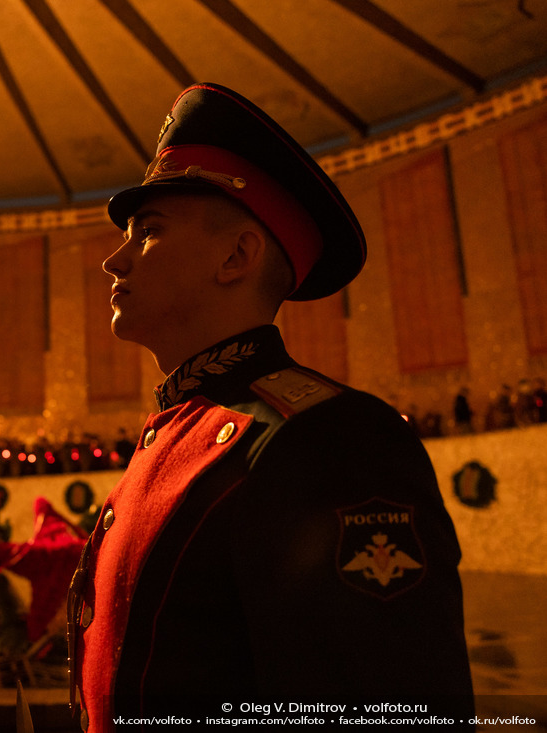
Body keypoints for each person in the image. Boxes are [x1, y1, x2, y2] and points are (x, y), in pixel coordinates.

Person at [66, 83, 473, 731]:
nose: (114, 260)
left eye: (148, 231)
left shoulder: (327, 440)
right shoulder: (176, 433)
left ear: (236, 256)